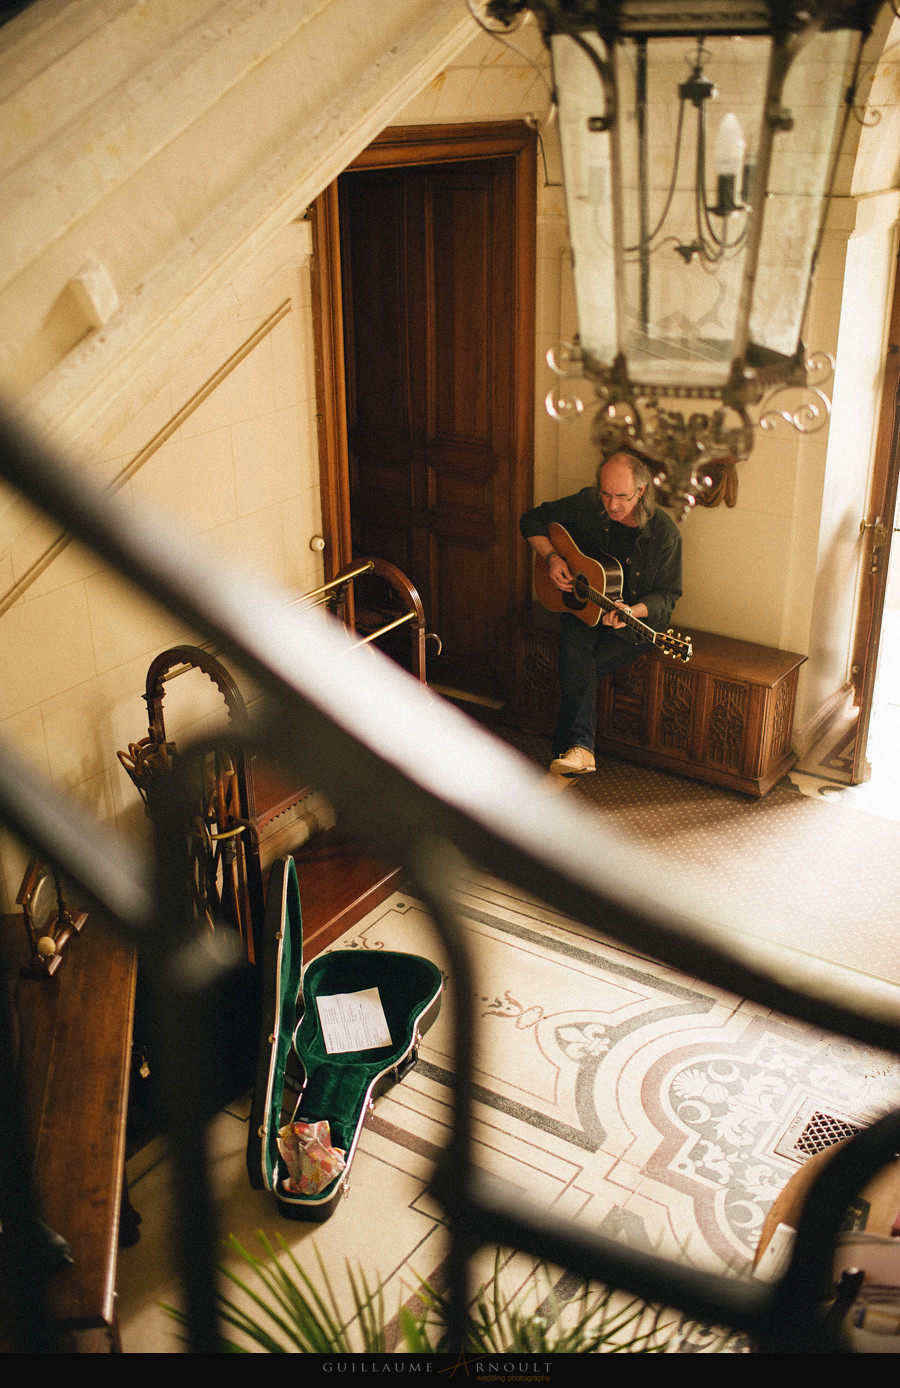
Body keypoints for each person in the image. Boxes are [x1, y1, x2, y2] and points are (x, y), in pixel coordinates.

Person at [520, 448, 683, 775]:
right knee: (572, 650)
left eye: (621, 496)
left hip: (636, 623)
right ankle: (579, 752)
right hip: (586, 608)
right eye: (605, 494)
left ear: (642, 490)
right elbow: (531, 519)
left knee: (581, 667)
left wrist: (632, 610)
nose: (611, 505)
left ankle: (572, 750)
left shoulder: (665, 533)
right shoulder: (588, 503)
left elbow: (667, 596)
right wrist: (552, 557)